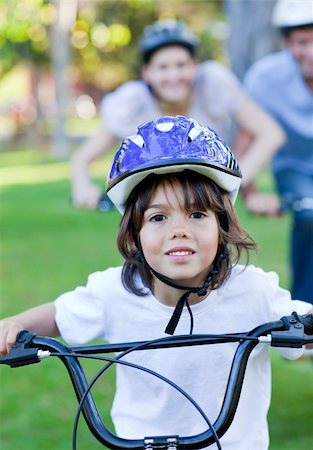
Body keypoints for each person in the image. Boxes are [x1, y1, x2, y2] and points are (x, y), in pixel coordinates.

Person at [1, 116, 312, 448]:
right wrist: (15, 324)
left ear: (221, 227)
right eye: (158, 217)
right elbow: (58, 315)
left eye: (197, 215)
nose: (178, 230)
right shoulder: (112, 291)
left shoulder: (254, 290)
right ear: (134, 236)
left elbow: (301, 324)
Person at [71, 19, 285, 210]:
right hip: (156, 205)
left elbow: (271, 133)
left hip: (205, 201)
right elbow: (82, 158)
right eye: (162, 67)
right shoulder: (132, 101)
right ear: (146, 73)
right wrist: (83, 188)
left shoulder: (213, 84)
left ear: (195, 66)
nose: (173, 75)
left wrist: (233, 182)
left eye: (181, 65)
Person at [238, 0, 313, 303]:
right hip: (294, 166)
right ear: (286, 43)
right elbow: (247, 136)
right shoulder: (265, 77)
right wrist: (250, 191)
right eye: (301, 42)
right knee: (309, 215)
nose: (310, 51)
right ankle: (306, 315)